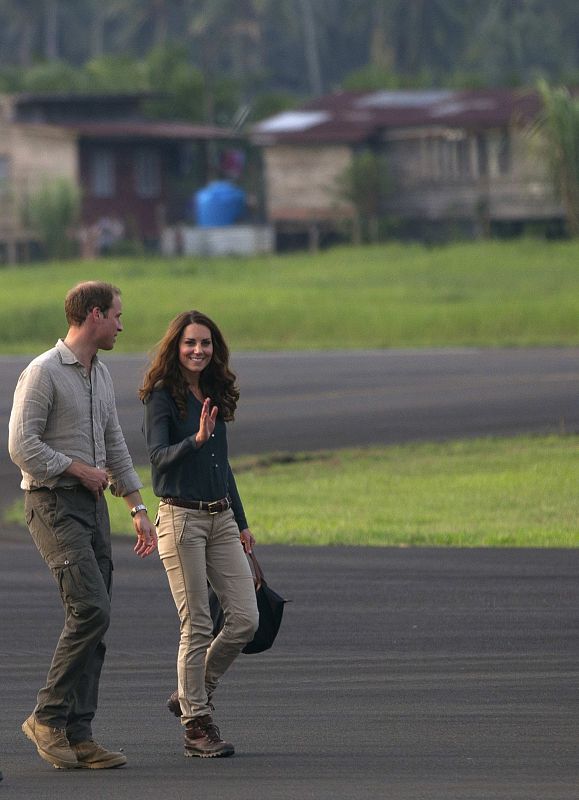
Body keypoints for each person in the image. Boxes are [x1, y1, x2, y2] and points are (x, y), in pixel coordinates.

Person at [8, 281, 157, 771]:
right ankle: (47, 719)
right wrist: (74, 467)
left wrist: (137, 509)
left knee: (98, 617)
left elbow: (114, 444)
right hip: (52, 505)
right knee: (90, 608)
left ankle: (80, 734)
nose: (121, 324)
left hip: (93, 509)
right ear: (94, 316)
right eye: (117, 315)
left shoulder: (100, 374)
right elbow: (21, 447)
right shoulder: (43, 372)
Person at [139, 309, 259, 758]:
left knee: (246, 619)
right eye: (190, 343)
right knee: (198, 624)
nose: (198, 350)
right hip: (180, 519)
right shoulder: (161, 397)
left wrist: (243, 524)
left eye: (205, 343)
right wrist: (196, 440)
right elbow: (157, 459)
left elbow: (222, 466)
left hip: (221, 517)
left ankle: (191, 691)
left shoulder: (213, 390)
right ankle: (196, 724)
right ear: (176, 346)